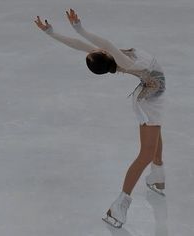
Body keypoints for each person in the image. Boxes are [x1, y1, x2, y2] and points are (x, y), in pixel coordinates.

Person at [34, 9, 166, 228]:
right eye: (96, 51)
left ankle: (158, 175)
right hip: (149, 100)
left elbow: (77, 45)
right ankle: (120, 205)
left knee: (156, 133)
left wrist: (51, 32)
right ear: (105, 55)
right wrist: (79, 27)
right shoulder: (123, 59)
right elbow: (102, 41)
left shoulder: (112, 57)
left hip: (153, 92)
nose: (95, 48)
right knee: (145, 153)